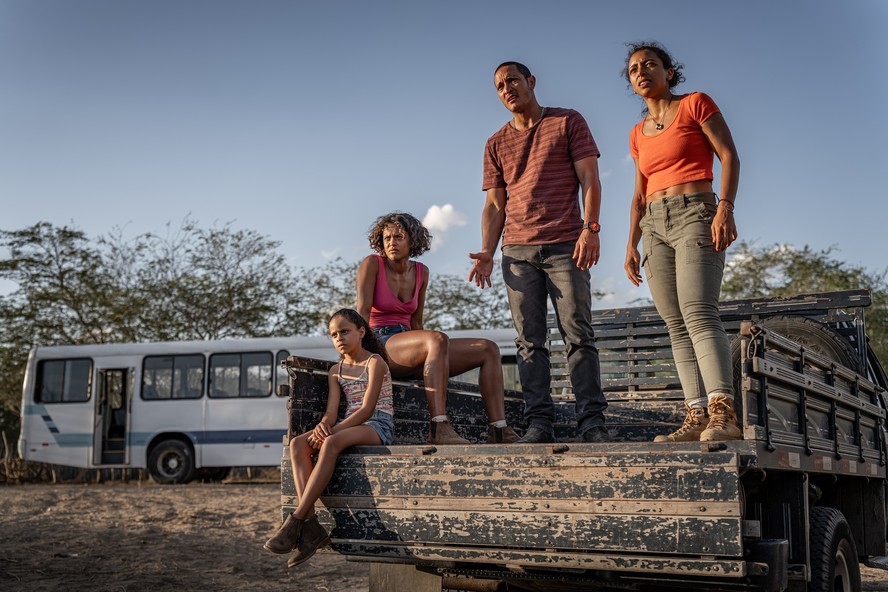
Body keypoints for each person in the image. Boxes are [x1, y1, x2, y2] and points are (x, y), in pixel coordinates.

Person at [469, 61, 609, 444]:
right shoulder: (495, 143)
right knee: (529, 342)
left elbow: (590, 179)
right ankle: (539, 424)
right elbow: (495, 205)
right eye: (499, 86)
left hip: (566, 244)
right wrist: (486, 250)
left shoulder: (567, 121)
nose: (507, 89)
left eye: (512, 80)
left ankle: (592, 422)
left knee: (577, 334)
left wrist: (590, 229)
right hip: (517, 251)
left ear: (531, 82)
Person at [622, 41, 741, 442]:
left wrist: (725, 206)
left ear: (668, 72)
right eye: (634, 68)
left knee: (698, 311)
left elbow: (729, 155)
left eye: (650, 64)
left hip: (696, 211)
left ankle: (723, 415)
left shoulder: (695, 103)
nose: (641, 71)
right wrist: (630, 244)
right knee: (674, 323)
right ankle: (696, 417)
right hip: (653, 224)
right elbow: (639, 194)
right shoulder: (637, 134)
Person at [357, 212, 519, 446]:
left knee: (488, 348)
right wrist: (360, 358)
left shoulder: (422, 272)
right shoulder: (372, 264)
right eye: (387, 238)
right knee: (436, 339)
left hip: (410, 343)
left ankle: (499, 429)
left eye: (399, 237)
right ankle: (439, 427)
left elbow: (417, 323)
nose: (392, 242)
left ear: (412, 240)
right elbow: (361, 315)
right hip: (381, 345)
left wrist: (433, 354)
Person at [263, 308, 395, 567]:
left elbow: (368, 409)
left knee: (331, 443)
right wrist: (324, 427)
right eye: (333, 334)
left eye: (344, 331)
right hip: (346, 425)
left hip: (377, 424)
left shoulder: (374, 362)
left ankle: (298, 519)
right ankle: (311, 527)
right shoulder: (337, 370)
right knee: (299, 443)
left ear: (361, 331)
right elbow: (331, 413)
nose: (339, 338)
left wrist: (332, 433)